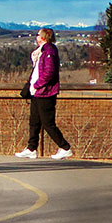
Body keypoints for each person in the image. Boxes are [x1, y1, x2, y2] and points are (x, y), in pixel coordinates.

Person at [15, 28, 72, 160]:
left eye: (38, 35)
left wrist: (37, 85)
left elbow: (49, 73)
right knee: (34, 121)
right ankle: (31, 148)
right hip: (38, 93)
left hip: (45, 93)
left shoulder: (49, 51)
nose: (36, 37)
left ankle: (65, 147)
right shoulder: (42, 51)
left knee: (48, 123)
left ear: (44, 37)